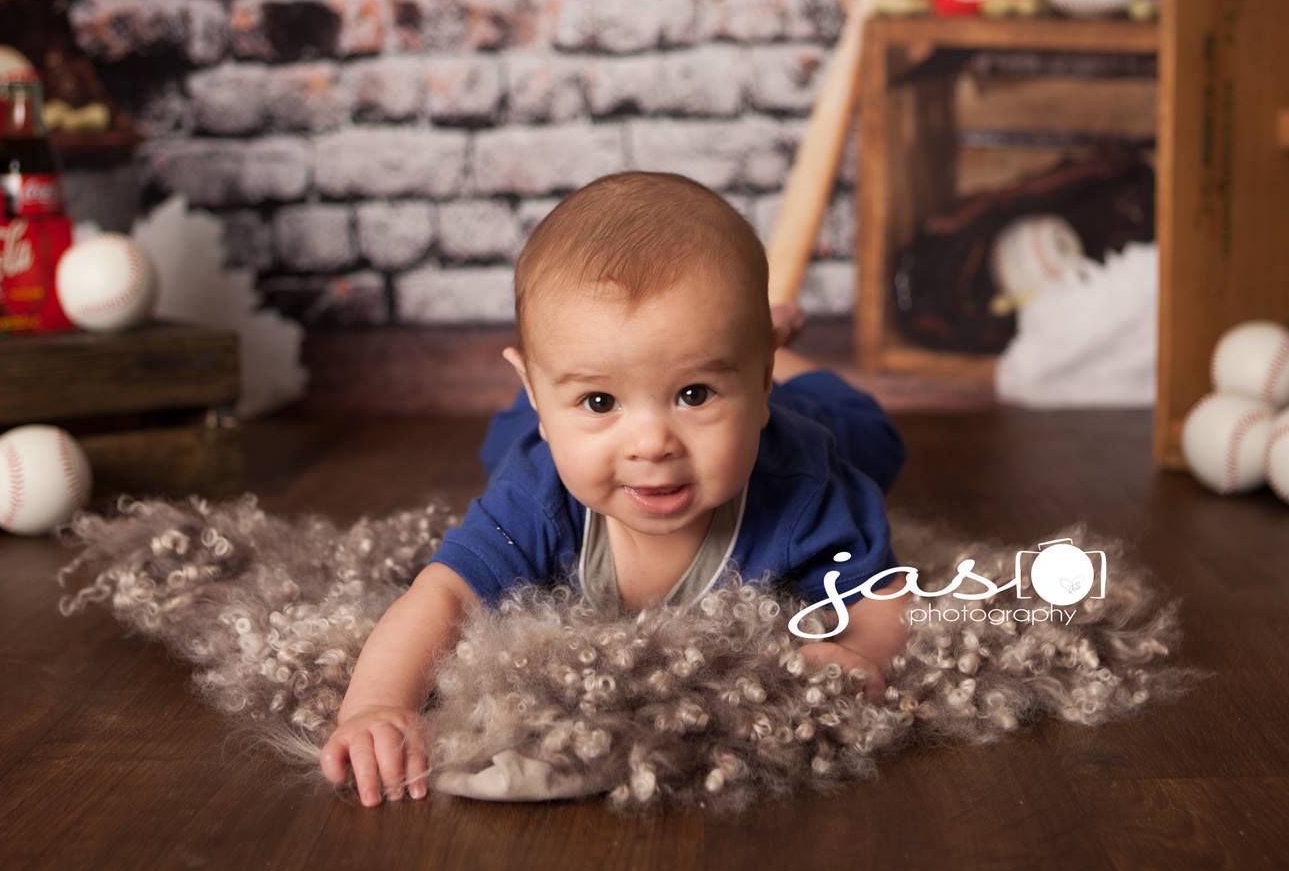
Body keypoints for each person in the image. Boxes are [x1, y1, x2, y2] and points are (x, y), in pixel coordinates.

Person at [319, 171, 911, 807]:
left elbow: (886, 596)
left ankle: (776, 355)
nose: (652, 442)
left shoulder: (803, 486)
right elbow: (442, 594)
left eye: (695, 393)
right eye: (600, 399)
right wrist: (378, 704)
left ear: (760, 385)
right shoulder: (539, 496)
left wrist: (858, 650)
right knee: (505, 446)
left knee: (872, 440)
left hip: (799, 412)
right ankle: (640, 383)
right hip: (550, 427)